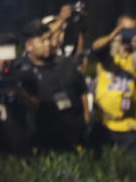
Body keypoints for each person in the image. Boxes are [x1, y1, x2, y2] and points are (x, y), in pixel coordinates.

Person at [13, 19, 89, 153]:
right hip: (41, 140)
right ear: (29, 46)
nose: (48, 44)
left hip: (71, 136)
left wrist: (86, 118)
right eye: (42, 41)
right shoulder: (21, 71)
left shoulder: (65, 64)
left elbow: (81, 89)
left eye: (49, 39)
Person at [90, 14, 136, 153]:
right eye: (124, 30)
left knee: (127, 169)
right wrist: (110, 37)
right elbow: (95, 48)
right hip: (105, 123)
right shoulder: (109, 54)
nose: (128, 34)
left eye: (133, 30)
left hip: (131, 125)